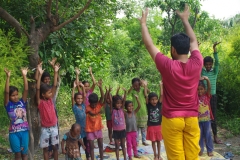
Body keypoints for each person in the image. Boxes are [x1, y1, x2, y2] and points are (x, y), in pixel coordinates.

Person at [139, 4, 203, 160]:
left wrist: (143, 24)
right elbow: (193, 41)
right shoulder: (197, 62)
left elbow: (149, 45)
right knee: (193, 157)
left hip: (172, 119)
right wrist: (185, 20)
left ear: (173, 49)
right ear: (188, 49)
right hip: (192, 118)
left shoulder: (168, 66)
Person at [34, 57, 59, 158]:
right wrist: (39, 74)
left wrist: (55, 71)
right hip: (45, 129)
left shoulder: (50, 99)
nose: (51, 93)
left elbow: (54, 84)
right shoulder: (40, 102)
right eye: (49, 92)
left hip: (54, 127)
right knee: (45, 149)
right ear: (43, 95)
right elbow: (38, 88)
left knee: (55, 147)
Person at [4, 68, 29, 160]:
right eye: (13, 95)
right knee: (17, 155)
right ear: (9, 97)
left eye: (16, 94)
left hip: (24, 131)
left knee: (24, 154)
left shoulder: (22, 102)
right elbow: (6, 92)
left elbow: (26, 89)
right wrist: (8, 77)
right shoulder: (8, 104)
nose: (15, 97)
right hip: (13, 133)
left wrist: (24, 75)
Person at [201, 42, 222, 144]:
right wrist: (196, 48)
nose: (208, 66)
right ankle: (204, 136)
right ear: (204, 65)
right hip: (203, 97)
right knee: (203, 116)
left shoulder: (215, 71)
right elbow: (198, 62)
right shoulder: (203, 72)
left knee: (213, 116)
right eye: (207, 64)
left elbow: (217, 62)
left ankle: (215, 136)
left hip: (212, 96)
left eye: (210, 64)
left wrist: (214, 49)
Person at [71, 68, 90, 159]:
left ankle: (87, 156)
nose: (79, 100)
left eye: (80, 99)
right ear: (75, 100)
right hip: (78, 129)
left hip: (85, 127)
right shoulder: (74, 107)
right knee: (78, 143)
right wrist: (74, 88)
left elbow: (84, 95)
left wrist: (82, 87)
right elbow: (72, 97)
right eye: (77, 99)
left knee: (86, 143)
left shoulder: (83, 105)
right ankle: (78, 157)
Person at [85, 79, 104, 160]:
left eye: (95, 104)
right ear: (89, 102)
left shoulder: (98, 105)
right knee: (92, 147)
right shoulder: (87, 108)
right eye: (92, 104)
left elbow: (102, 97)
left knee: (101, 145)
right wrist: (99, 112)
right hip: (90, 130)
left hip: (98, 128)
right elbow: (92, 113)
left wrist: (100, 87)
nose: (94, 105)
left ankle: (102, 158)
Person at [145, 81, 163, 160]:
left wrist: (160, 85)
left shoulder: (159, 104)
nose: (154, 101)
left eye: (155, 99)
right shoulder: (148, 105)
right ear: (149, 100)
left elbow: (161, 95)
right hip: (151, 126)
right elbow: (146, 95)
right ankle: (155, 155)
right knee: (153, 141)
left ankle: (159, 155)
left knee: (159, 141)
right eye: (152, 100)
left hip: (158, 126)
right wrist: (145, 86)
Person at [127, 78, 149, 146]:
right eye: (134, 85)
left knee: (143, 128)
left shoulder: (142, 90)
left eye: (137, 85)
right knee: (136, 128)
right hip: (136, 111)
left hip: (143, 111)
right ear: (133, 85)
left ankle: (144, 140)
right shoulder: (133, 91)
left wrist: (144, 85)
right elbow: (128, 93)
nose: (136, 87)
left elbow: (148, 92)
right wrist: (131, 87)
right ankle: (136, 141)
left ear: (140, 84)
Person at [109, 88, 127, 160]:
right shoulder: (112, 111)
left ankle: (125, 158)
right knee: (117, 146)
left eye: (120, 103)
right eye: (117, 103)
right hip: (116, 131)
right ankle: (117, 158)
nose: (119, 104)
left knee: (123, 145)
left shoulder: (122, 109)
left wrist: (125, 92)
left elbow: (124, 100)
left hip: (122, 130)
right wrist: (108, 92)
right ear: (114, 104)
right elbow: (110, 101)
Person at [198, 77, 214, 156]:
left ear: (204, 89)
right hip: (198, 120)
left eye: (201, 89)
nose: (200, 91)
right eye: (198, 89)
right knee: (199, 135)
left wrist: (207, 80)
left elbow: (209, 88)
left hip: (207, 120)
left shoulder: (207, 95)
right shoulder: (195, 97)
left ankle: (210, 150)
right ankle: (200, 149)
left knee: (208, 134)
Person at [124, 95, 141, 160]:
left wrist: (137, 99)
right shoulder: (125, 114)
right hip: (128, 133)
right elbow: (121, 108)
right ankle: (130, 156)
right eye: (129, 106)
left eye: (132, 106)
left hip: (134, 132)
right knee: (129, 144)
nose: (131, 107)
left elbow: (139, 106)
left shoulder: (134, 112)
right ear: (126, 107)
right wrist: (123, 99)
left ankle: (135, 153)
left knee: (135, 144)